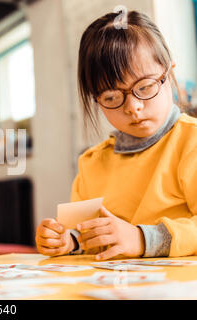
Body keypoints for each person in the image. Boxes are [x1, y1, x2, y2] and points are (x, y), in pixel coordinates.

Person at [36, 10, 197, 261]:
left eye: (145, 87)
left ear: (170, 74)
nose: (133, 107)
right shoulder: (92, 163)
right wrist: (68, 240)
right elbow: (90, 238)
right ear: (96, 100)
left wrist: (143, 239)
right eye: (112, 98)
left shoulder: (191, 142)